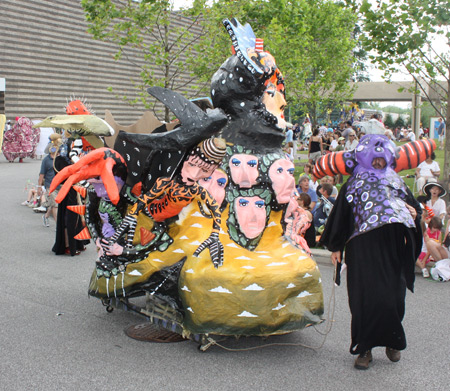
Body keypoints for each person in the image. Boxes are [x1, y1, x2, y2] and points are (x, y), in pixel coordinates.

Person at [320, 134, 422, 370]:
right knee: (363, 299)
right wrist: (336, 247)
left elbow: (415, 210)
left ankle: (392, 342)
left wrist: (415, 216)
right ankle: (364, 348)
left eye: (381, 158)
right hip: (362, 249)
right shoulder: (353, 184)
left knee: (393, 297)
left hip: (392, 248)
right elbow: (340, 217)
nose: (377, 162)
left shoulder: (397, 181)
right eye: (373, 158)